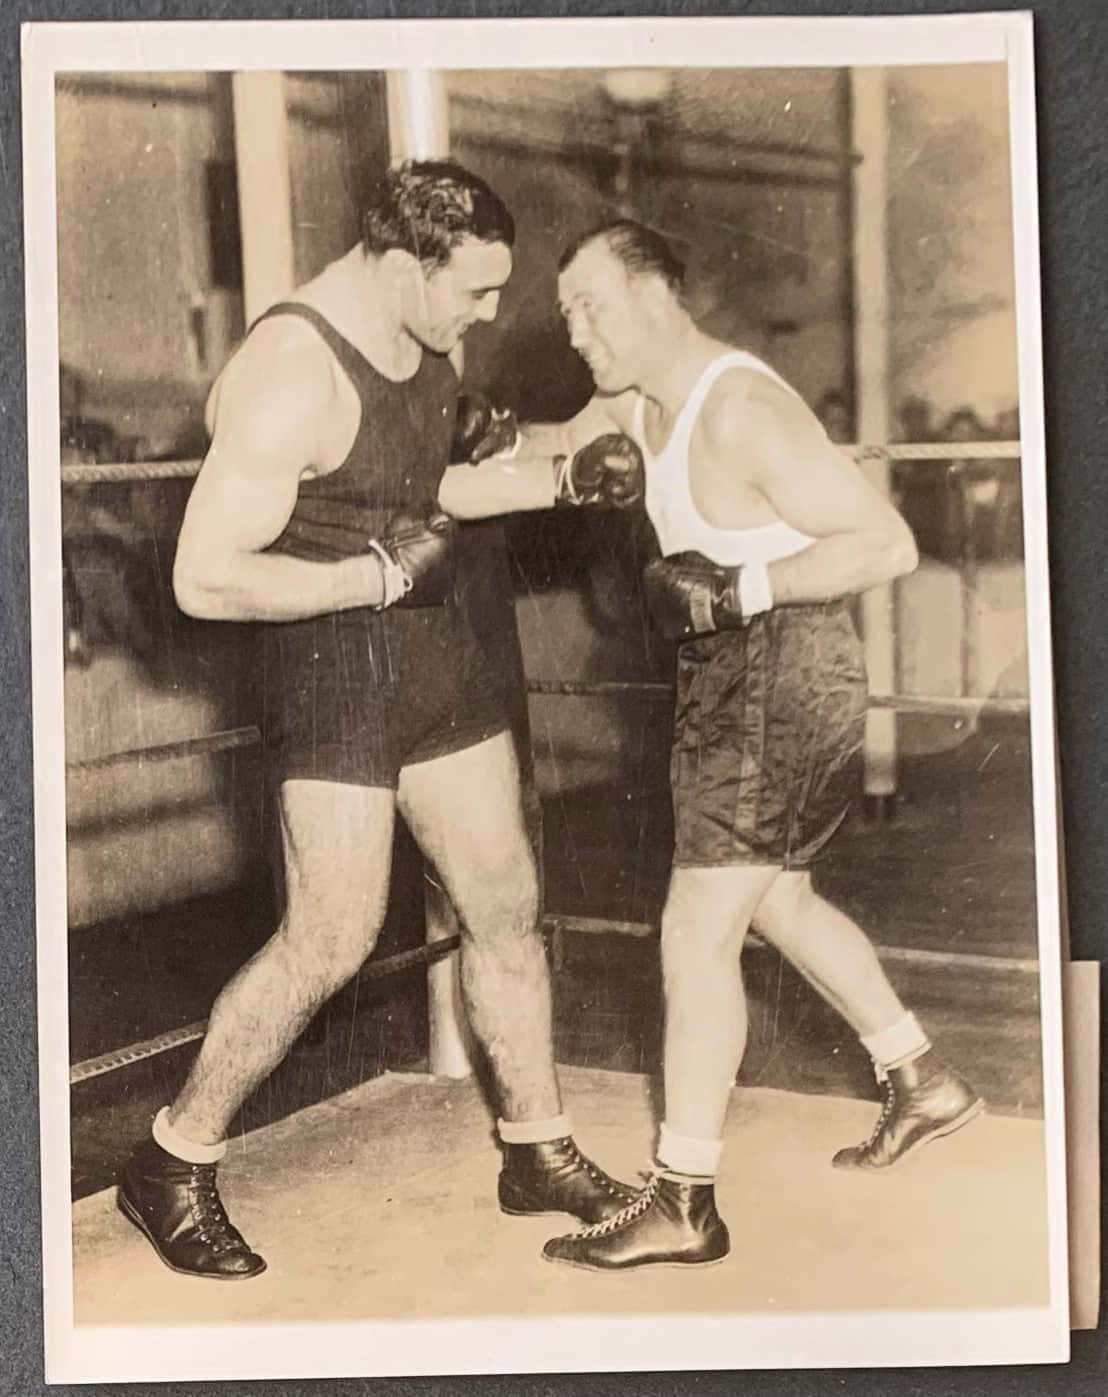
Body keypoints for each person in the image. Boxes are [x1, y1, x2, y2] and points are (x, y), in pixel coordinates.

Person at [118, 162, 639, 1281]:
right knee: (331, 935)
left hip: (431, 647)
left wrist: (559, 479)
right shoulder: (288, 371)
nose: (489, 314)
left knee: (506, 901)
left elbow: (426, 491)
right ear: (406, 265)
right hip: (332, 663)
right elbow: (203, 579)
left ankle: (534, 1146)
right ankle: (171, 1157)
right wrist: (368, 577)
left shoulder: (427, 333)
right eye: (476, 291)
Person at [438, 219, 983, 1273]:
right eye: (567, 313)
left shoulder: (741, 409)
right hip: (732, 671)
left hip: (780, 662)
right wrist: (476, 446)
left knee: (694, 929)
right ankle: (918, 1074)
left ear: (654, 298)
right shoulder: (637, 400)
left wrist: (746, 583)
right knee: (772, 898)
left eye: (592, 307)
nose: (577, 330)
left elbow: (886, 539)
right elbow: (544, 454)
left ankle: (683, 1195)